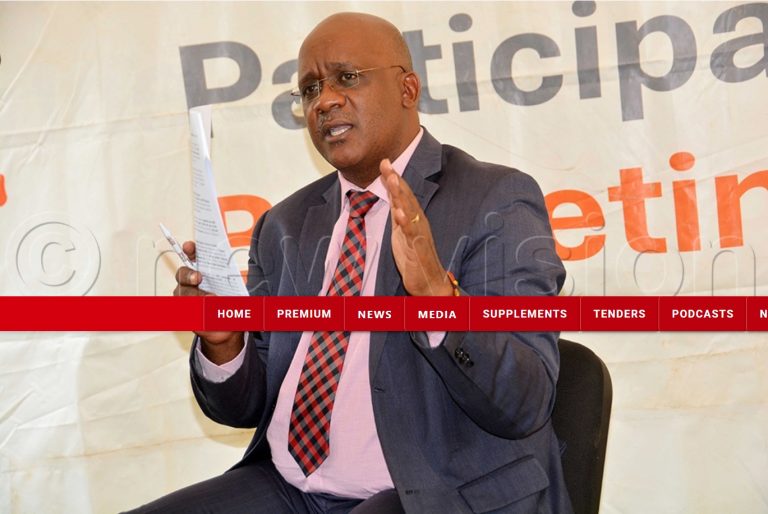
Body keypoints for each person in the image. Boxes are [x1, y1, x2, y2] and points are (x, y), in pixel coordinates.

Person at [129, 11, 570, 514]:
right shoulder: (285, 225)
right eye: (311, 89)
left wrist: (438, 299)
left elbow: (524, 401)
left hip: (429, 493)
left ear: (407, 89)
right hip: (290, 488)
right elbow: (244, 407)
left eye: (347, 77)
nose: (325, 101)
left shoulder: (495, 198)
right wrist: (225, 343)